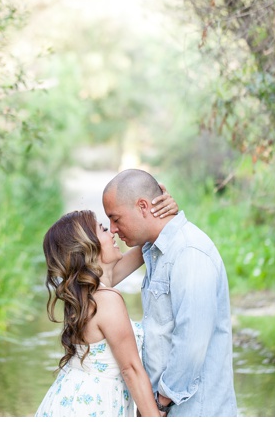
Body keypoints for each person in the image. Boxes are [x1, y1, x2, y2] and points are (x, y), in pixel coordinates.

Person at [102, 169, 238, 417]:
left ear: (143, 206)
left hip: (194, 411)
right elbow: (104, 279)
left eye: (116, 218)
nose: (112, 229)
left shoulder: (189, 252)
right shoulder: (155, 250)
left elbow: (192, 341)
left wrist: (161, 403)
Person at [35, 188, 178, 417]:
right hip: (91, 407)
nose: (112, 232)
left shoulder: (87, 291)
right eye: (103, 228)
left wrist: (161, 211)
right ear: (88, 246)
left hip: (68, 400)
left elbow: (148, 243)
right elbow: (131, 369)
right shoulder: (106, 300)